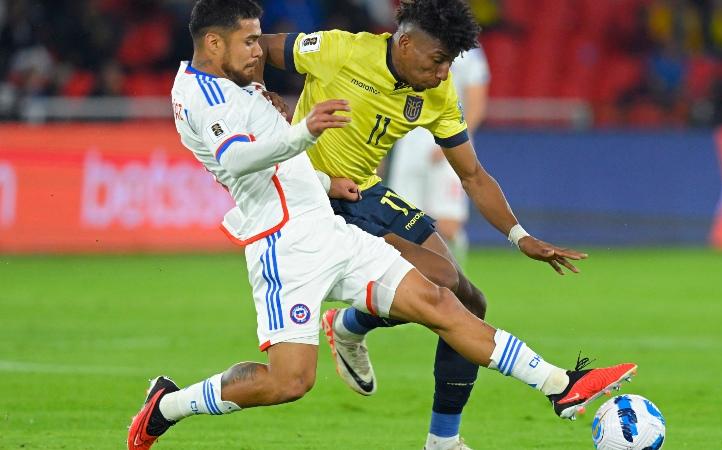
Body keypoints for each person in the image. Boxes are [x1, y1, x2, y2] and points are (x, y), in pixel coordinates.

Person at [127, 1, 638, 449]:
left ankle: (559, 385)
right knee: (290, 383)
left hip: (335, 213)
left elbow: (472, 172)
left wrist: (327, 182)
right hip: (286, 241)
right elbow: (238, 160)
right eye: (249, 42)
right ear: (214, 42)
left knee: (447, 298)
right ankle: (168, 407)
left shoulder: (239, 84)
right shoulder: (208, 94)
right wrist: (305, 131)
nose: (259, 51)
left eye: (260, 41)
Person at [387, 46, 490, 265]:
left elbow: (477, 103)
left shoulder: (469, 55)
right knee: (401, 223)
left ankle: (458, 282)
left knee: (448, 225)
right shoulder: (410, 48)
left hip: (449, 140)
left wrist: (454, 144)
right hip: (409, 144)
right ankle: (415, 282)